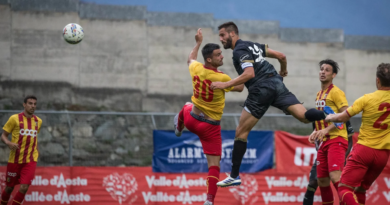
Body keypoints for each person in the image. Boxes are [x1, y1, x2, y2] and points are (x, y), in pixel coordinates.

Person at [212, 21, 329, 187]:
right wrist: (283, 70)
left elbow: (249, 73)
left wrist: (223, 85)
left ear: (232, 34)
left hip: (261, 89)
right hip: (276, 82)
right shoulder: (253, 45)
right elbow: (282, 56)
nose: (221, 39)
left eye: (223, 35)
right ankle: (332, 116)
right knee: (304, 116)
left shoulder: (239, 50)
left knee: (241, 132)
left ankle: (234, 175)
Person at [174, 28, 244, 205]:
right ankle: (209, 201)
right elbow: (241, 87)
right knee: (214, 166)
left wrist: (197, 43)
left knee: (186, 105)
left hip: (191, 120)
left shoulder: (196, 68)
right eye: (218, 55)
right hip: (210, 127)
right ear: (209, 59)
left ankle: (179, 126)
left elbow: (190, 59)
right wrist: (227, 83)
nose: (222, 56)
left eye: (221, 53)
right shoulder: (221, 77)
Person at [325, 63, 390, 205]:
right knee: (360, 189)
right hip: (383, 155)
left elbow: (342, 117)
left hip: (364, 151)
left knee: (344, 188)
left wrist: (330, 117)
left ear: (377, 80)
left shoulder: (367, 98)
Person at [304, 60, 354, 205]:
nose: (323, 72)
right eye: (321, 69)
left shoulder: (337, 92)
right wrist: (315, 132)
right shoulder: (319, 94)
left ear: (333, 75)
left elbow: (346, 115)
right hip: (323, 142)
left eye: (327, 70)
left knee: (335, 176)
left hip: (337, 139)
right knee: (322, 180)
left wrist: (326, 129)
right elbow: (323, 119)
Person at [0, 95, 42, 205]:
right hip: (15, 159)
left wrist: (37, 151)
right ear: (24, 105)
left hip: (30, 160)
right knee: (9, 188)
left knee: (24, 187)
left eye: (34, 104)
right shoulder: (14, 119)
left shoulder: (38, 121)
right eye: (30, 103)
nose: (33, 106)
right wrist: (8, 143)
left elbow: (34, 137)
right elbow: (3, 136)